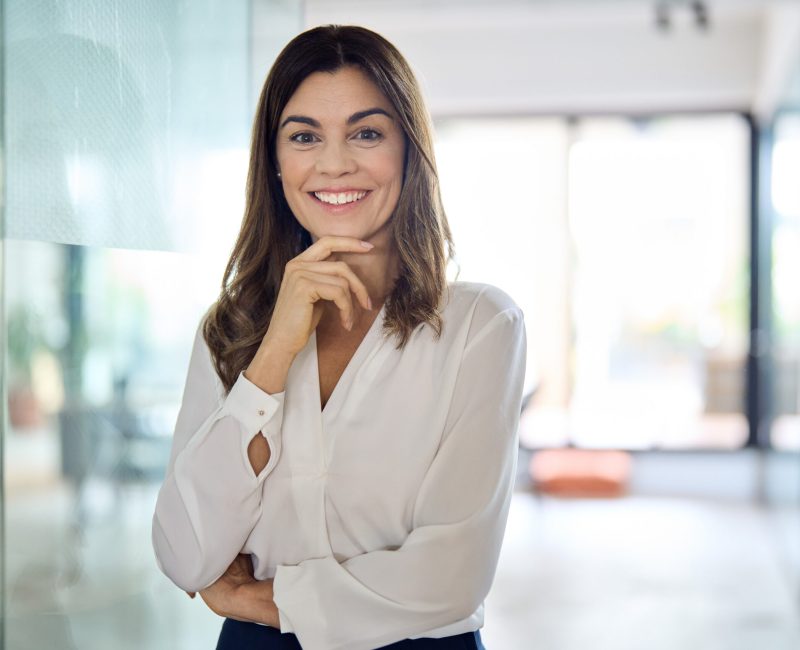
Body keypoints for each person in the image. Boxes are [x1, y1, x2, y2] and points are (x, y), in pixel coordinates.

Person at [152, 24, 526, 650]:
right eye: (304, 136)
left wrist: (256, 599)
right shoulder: (230, 328)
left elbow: (451, 577)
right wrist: (272, 353)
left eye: (366, 132)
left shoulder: (480, 327)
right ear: (274, 163)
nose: (334, 163)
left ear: (408, 151)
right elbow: (184, 552)